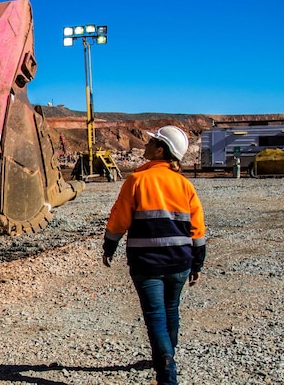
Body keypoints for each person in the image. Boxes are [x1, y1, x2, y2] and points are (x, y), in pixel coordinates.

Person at [102, 125, 206, 385]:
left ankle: (166, 375)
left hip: (146, 264)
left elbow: (119, 220)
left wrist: (109, 247)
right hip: (180, 261)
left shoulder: (137, 181)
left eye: (151, 143)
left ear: (160, 150)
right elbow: (197, 228)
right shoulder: (184, 184)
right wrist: (198, 262)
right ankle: (167, 354)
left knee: (155, 316)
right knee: (171, 310)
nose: (145, 145)